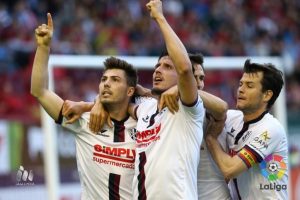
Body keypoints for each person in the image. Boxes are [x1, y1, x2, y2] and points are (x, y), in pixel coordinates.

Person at [30, 13, 139, 199]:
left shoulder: (147, 126)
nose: (106, 83)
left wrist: (90, 104)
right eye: (104, 79)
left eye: (115, 80)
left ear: (130, 91)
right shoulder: (83, 121)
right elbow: (40, 91)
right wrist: (43, 48)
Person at [205, 59, 288, 199]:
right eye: (241, 84)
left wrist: (211, 139)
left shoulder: (271, 129)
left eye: (249, 86)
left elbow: (229, 169)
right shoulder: (231, 118)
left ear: (267, 95)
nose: (241, 89)